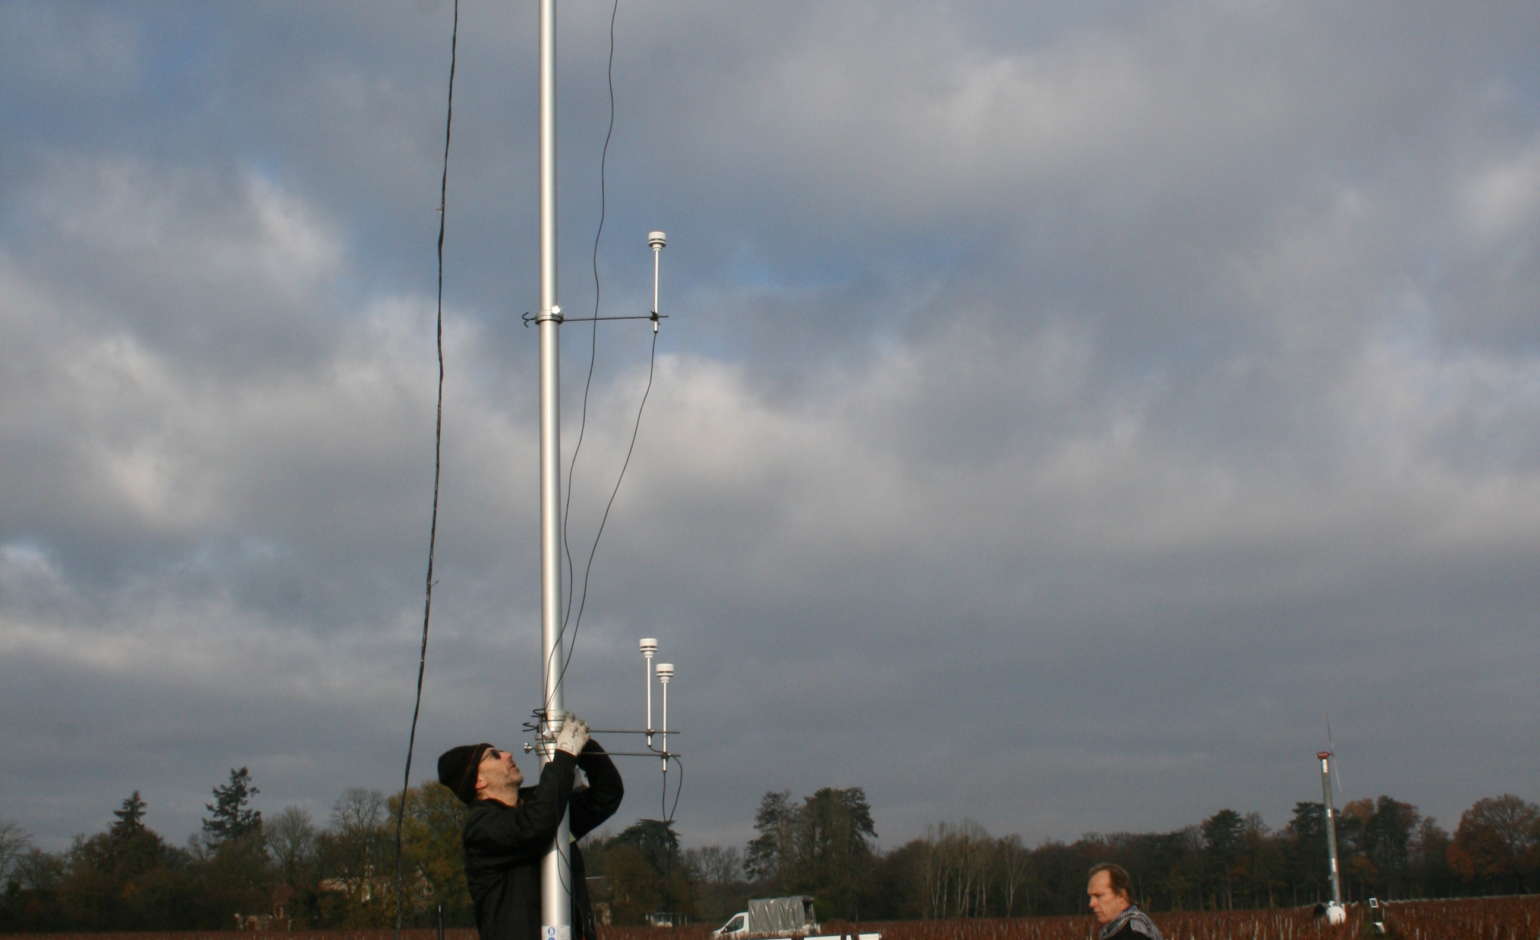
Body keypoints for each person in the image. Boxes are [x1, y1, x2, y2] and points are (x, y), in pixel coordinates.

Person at [438, 714, 623, 940]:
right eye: (494, 756)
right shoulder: (482, 828)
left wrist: (582, 748)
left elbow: (606, 795)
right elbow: (535, 826)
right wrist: (564, 756)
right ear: (479, 781)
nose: (507, 754)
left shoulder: (545, 806)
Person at [1087, 862, 1164, 940]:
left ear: (1121, 895)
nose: (1091, 903)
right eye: (1090, 897)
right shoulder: (1121, 929)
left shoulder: (1133, 933)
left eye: (1099, 896)